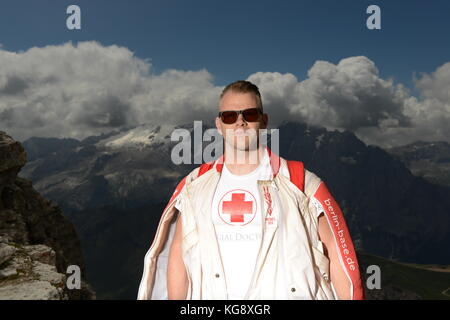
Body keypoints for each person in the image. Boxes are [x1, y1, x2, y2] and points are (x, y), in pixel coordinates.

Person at [137, 80, 364, 300]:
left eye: (250, 114)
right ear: (219, 124)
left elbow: (338, 252)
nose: (240, 122)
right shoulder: (195, 185)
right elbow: (178, 252)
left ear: (263, 121)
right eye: (229, 116)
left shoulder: (302, 183)